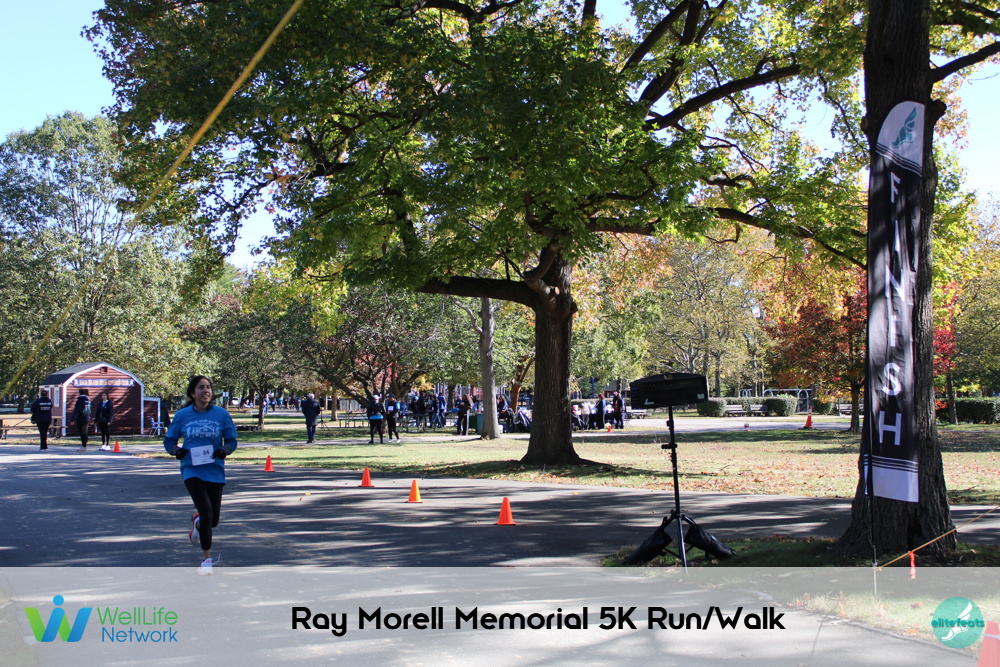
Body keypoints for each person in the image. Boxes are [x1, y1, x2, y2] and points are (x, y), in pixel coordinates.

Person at [163, 375, 238, 576]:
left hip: (214, 470)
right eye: (201, 388)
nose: (206, 391)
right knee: (206, 512)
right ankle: (206, 561)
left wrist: (224, 450)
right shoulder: (182, 415)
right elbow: (169, 440)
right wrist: (176, 451)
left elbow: (232, 440)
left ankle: (197, 522)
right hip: (192, 469)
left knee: (212, 521)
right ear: (192, 393)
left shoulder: (221, 414)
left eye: (208, 387)